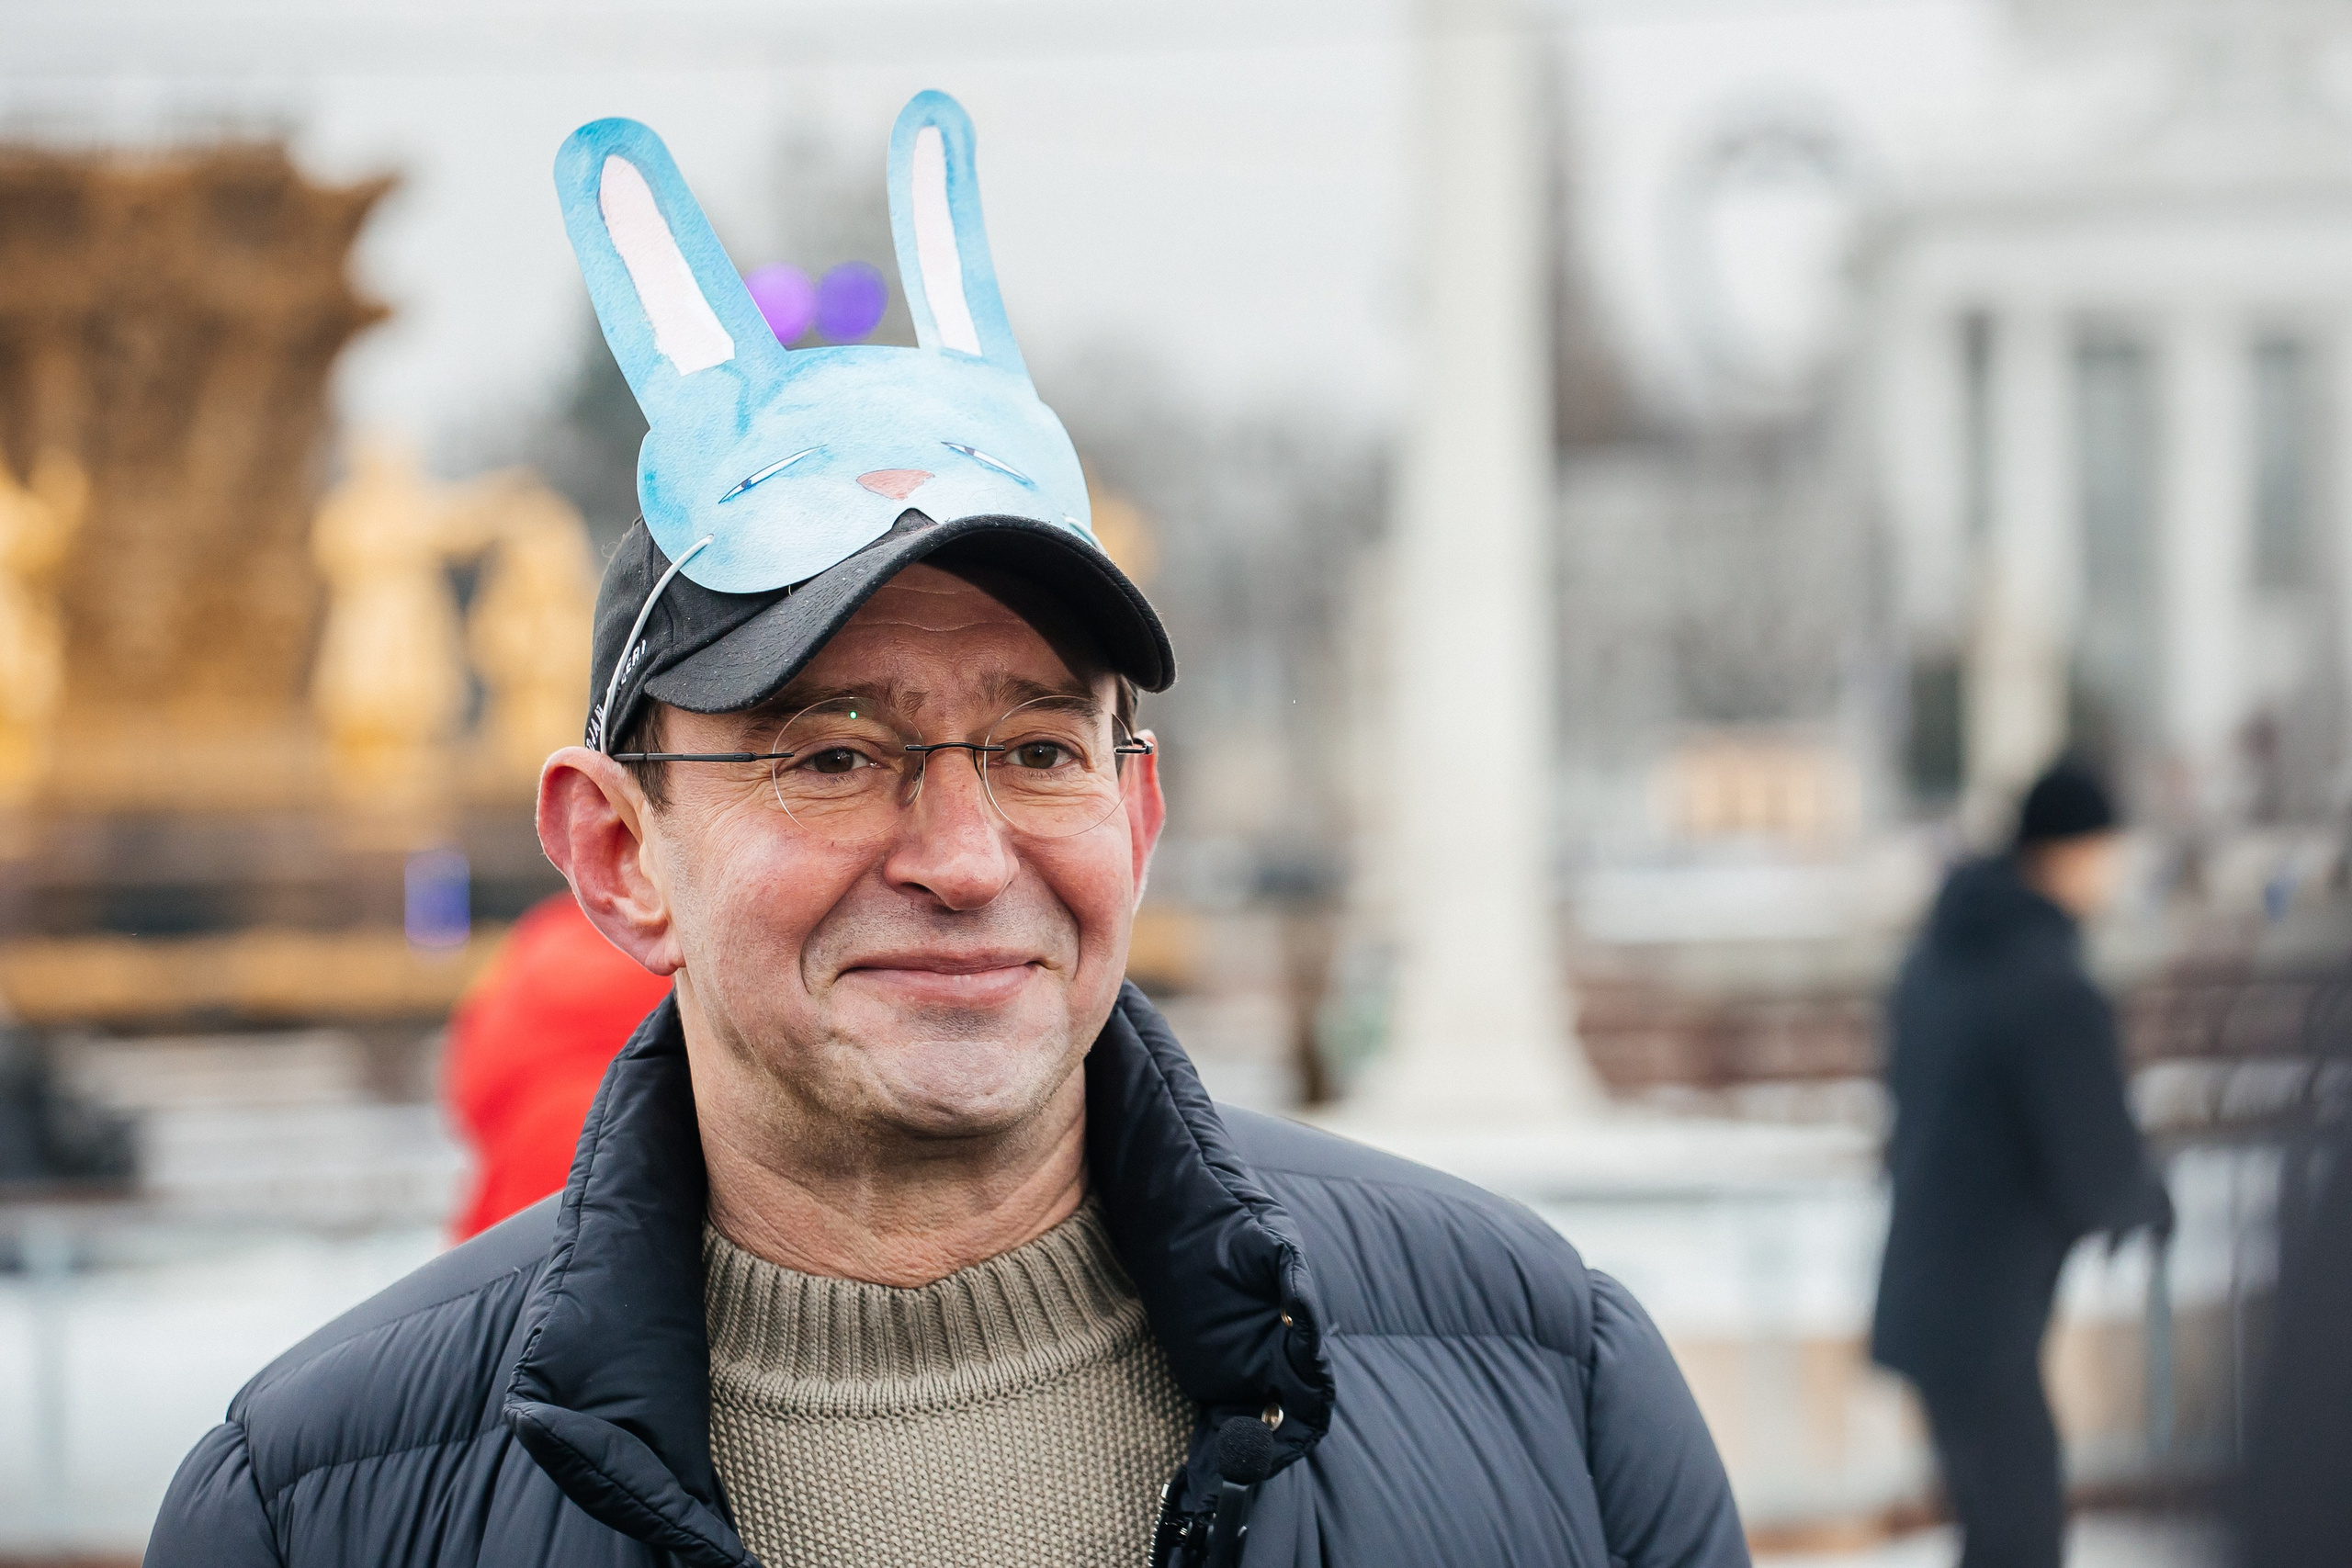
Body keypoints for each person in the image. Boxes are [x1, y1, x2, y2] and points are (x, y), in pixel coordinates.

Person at [148, 94, 1747, 1568]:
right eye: (834, 757)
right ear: (619, 851)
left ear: (1138, 808)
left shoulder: (1552, 1384)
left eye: (1040, 747)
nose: (967, 856)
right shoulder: (313, 1506)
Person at [1871, 761, 2173, 1568]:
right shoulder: (2047, 982)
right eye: (2109, 849)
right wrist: (2146, 1200)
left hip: (1929, 1288)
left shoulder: (1941, 953)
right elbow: (2091, 1152)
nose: (2114, 872)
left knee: (1995, 1525)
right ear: (2070, 851)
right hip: (1985, 1306)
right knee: (2022, 1532)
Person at [442, 891, 674, 1241]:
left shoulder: (536, 943)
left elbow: (470, 1099)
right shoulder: (681, 961)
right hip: (648, 1224)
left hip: (505, 1239)